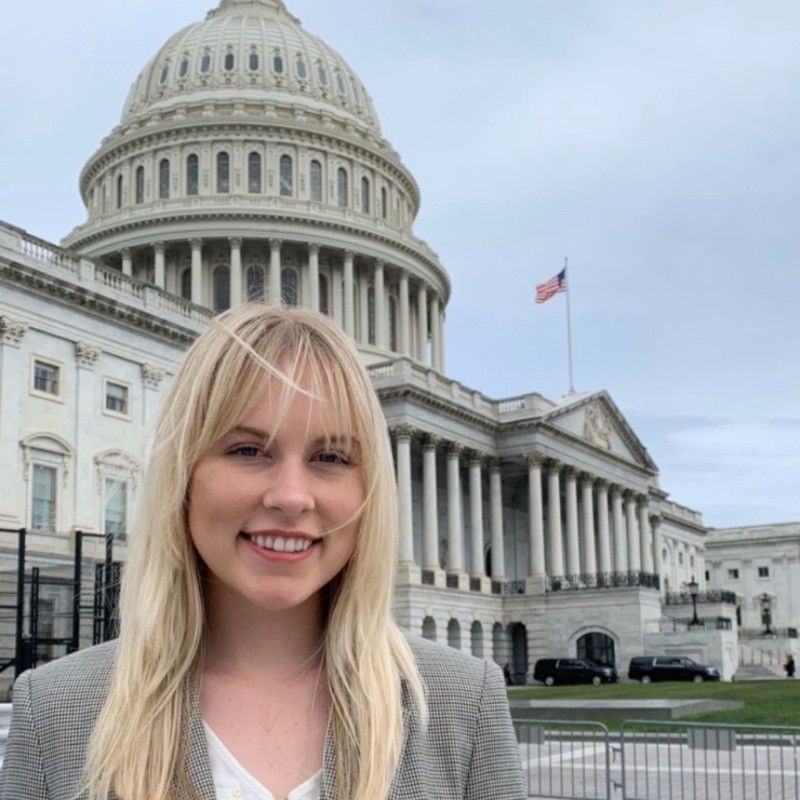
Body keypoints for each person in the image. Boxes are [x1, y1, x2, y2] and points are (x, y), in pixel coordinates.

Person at [0, 305, 524, 800]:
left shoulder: (462, 703)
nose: (291, 498)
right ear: (183, 476)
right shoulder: (55, 711)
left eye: (331, 456)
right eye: (248, 450)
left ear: (370, 492)